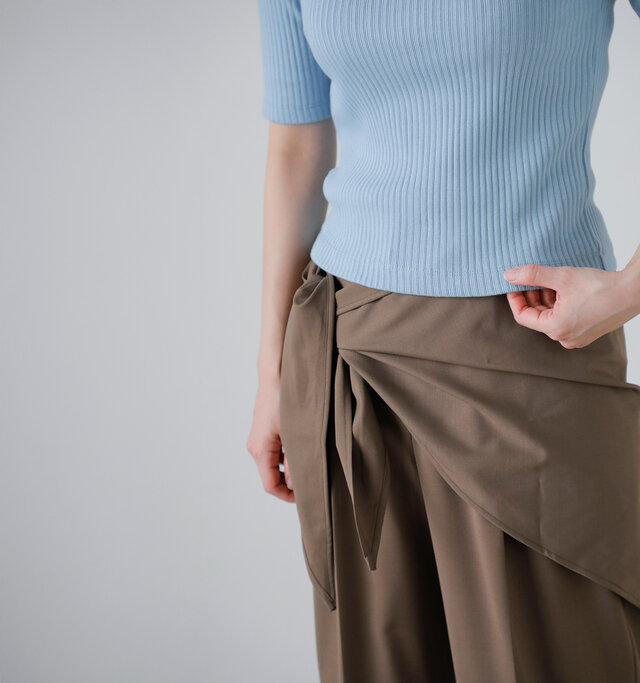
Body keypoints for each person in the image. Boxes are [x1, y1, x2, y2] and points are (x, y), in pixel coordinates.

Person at [247, 1, 640, 681]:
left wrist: (628, 289)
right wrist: (271, 373)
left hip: (529, 355)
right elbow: (296, 145)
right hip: (348, 358)